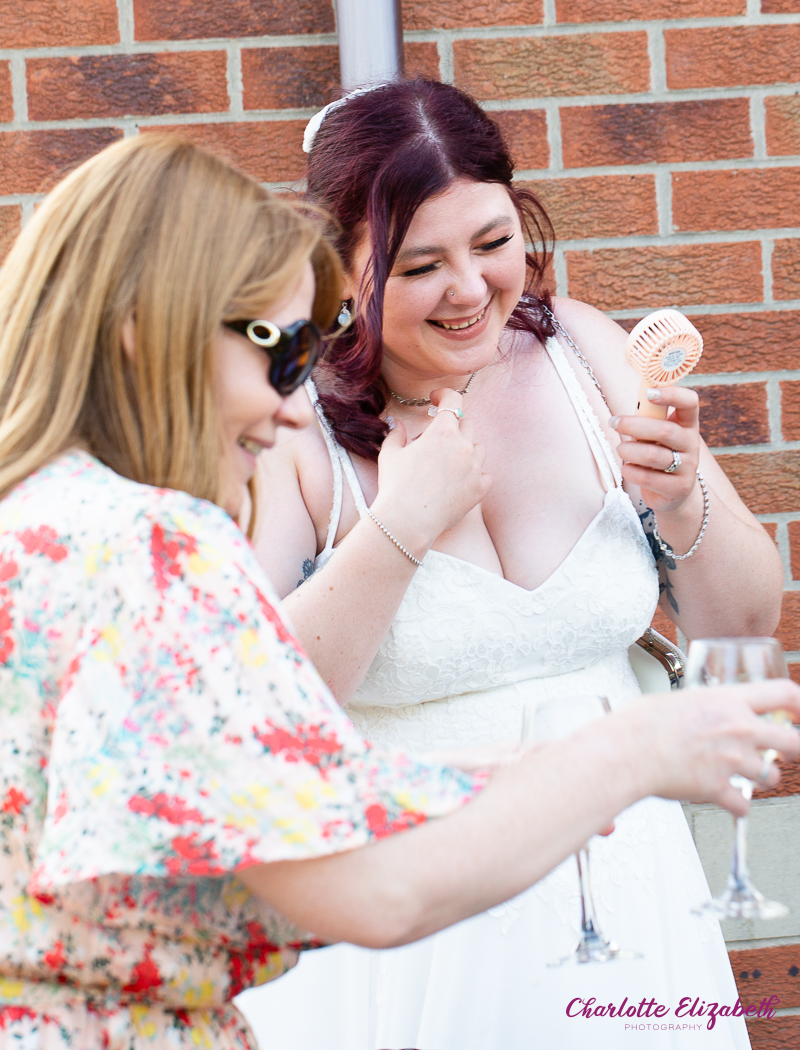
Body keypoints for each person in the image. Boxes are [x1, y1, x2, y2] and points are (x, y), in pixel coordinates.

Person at [0, 135, 794, 1050]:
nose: (297, 406)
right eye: (278, 346)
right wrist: (635, 755)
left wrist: (576, 759)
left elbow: (258, 786)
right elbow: (370, 892)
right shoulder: (155, 549)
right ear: (147, 330)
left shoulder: (47, 528)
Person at [247, 78, 787, 1050]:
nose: (469, 289)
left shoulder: (583, 353)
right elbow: (262, 708)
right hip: (413, 929)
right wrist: (398, 531)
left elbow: (740, 626)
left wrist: (681, 494)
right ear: (340, 268)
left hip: (626, 898)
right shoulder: (286, 422)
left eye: (491, 243)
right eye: (418, 264)